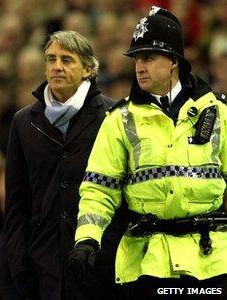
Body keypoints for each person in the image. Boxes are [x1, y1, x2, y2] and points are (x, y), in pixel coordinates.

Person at [69, 6, 227, 300]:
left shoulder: (218, 112)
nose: (139, 66)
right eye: (137, 59)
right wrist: (87, 239)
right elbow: (99, 188)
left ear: (174, 62)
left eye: (148, 57)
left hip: (212, 260)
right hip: (148, 261)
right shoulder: (120, 119)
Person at [3, 30, 125, 300]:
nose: (57, 66)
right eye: (51, 59)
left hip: (102, 263)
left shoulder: (114, 117)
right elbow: (16, 203)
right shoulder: (24, 122)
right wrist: (19, 267)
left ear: (88, 69)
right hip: (42, 266)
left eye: (67, 60)